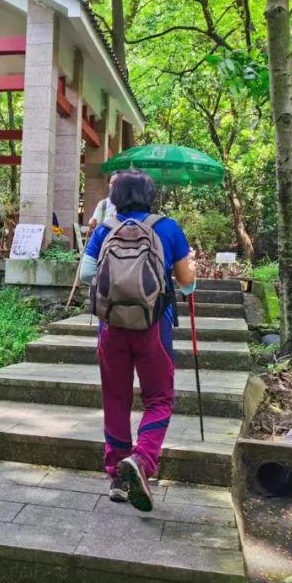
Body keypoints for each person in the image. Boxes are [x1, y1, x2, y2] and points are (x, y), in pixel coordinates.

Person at [79, 169, 195, 511]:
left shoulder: (105, 229)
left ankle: (117, 476)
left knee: (115, 398)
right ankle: (142, 460)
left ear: (115, 197)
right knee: (159, 398)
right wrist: (189, 273)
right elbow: (185, 282)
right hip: (154, 326)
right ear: (150, 195)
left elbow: (86, 274)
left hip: (111, 327)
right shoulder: (168, 228)